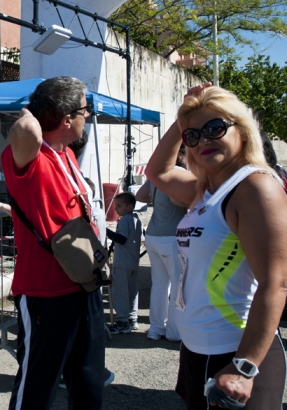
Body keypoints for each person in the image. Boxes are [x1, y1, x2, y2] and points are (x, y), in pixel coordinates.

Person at [146, 84, 287, 409]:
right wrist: (184, 118)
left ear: (242, 129)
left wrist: (245, 366)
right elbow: (158, 171)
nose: (203, 141)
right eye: (193, 136)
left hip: (236, 351)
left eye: (215, 128)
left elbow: (276, 283)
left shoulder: (255, 187)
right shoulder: (204, 189)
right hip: (197, 348)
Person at [2, 76, 105, 409]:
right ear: (66, 119)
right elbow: (25, 131)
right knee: (38, 384)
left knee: (89, 377)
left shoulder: (66, 154)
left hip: (83, 283)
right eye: (85, 109)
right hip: (45, 291)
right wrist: (31, 109)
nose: (88, 115)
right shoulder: (28, 157)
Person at [135, 145, 187, 342]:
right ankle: (174, 332)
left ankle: (156, 329)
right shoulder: (179, 173)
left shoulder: (156, 175)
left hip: (153, 234)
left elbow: (140, 197)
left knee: (159, 285)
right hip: (172, 236)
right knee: (177, 285)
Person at [105, 192, 143, 335]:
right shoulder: (136, 220)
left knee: (120, 293)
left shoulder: (125, 220)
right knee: (132, 292)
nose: (116, 209)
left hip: (122, 263)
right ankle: (132, 318)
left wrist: (105, 231)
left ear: (129, 207)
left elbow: (121, 239)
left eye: (119, 206)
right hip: (133, 261)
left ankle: (122, 322)